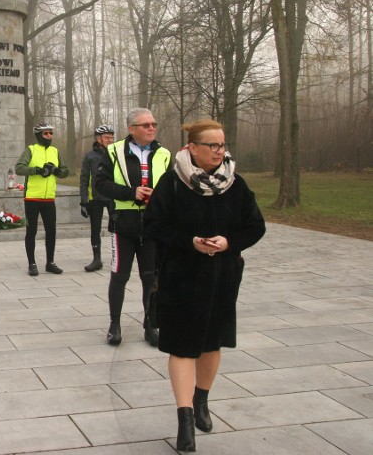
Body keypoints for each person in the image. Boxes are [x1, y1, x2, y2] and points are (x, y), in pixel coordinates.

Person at [145, 119, 265, 452]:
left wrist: (229, 243)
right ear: (192, 148)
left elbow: (256, 227)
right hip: (180, 277)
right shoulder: (172, 183)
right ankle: (184, 419)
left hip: (222, 277)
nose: (219, 151)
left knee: (212, 344)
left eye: (222, 145)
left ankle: (201, 400)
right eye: (212, 145)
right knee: (182, 347)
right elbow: (153, 225)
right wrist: (189, 242)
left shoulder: (235, 184)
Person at [95, 108, 171, 347]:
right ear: (132, 129)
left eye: (153, 124)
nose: (151, 128)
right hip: (123, 224)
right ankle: (114, 325)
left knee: (151, 278)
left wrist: (159, 198)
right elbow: (100, 184)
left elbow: (172, 188)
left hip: (152, 226)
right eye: (146, 125)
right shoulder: (113, 151)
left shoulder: (164, 153)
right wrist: (131, 192)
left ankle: (151, 326)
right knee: (120, 276)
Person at [15, 122, 69, 276]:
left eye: (51, 133)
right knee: (31, 231)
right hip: (32, 197)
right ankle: (32, 264)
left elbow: (65, 172)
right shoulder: (30, 150)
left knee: (51, 231)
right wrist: (37, 170)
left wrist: (56, 170)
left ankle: (50, 263)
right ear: (39, 135)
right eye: (46, 133)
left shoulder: (55, 151)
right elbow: (19, 168)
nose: (49, 136)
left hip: (49, 198)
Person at [79, 124, 115, 272]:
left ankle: (116, 257)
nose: (110, 140)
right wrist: (83, 200)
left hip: (114, 196)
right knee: (95, 229)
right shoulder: (90, 156)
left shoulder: (116, 153)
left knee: (116, 228)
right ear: (98, 138)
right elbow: (84, 178)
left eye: (112, 137)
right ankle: (97, 259)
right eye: (107, 137)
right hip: (96, 198)